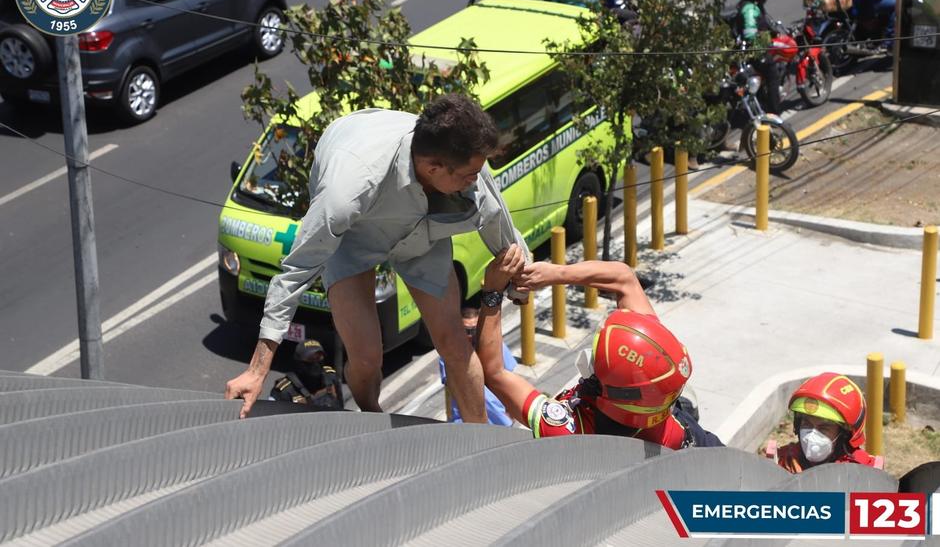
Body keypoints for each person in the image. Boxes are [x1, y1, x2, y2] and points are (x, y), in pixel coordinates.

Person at [225, 94, 528, 422]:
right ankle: (373, 420)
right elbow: (296, 271)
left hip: (420, 232)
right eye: (469, 177)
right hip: (355, 236)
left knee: (454, 342)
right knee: (367, 356)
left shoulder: (464, 164)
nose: (475, 182)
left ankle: (478, 438)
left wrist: (520, 278)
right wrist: (256, 370)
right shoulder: (345, 191)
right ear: (433, 168)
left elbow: (497, 217)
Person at [473, 245, 723, 449]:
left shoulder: (570, 428)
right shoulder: (650, 381)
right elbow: (624, 278)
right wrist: (551, 274)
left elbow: (494, 372)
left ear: (610, 391)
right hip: (700, 447)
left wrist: (492, 292)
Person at [774, 372, 879, 473]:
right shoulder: (783, 462)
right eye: (807, 424)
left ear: (844, 434)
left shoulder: (863, 472)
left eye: (823, 428)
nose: (811, 435)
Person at [438, 308, 516, 426]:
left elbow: (509, 380)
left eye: (474, 330)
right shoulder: (450, 353)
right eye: (466, 331)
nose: (470, 335)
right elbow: (452, 387)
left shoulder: (495, 346)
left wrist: (511, 410)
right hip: (465, 419)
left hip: (498, 419)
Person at [733, 0, 785, 114]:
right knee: (773, 74)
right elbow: (750, 34)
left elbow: (763, 24)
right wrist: (767, 41)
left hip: (750, 49)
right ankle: (775, 113)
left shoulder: (754, 4)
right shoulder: (750, 8)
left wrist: (772, 31)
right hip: (753, 51)